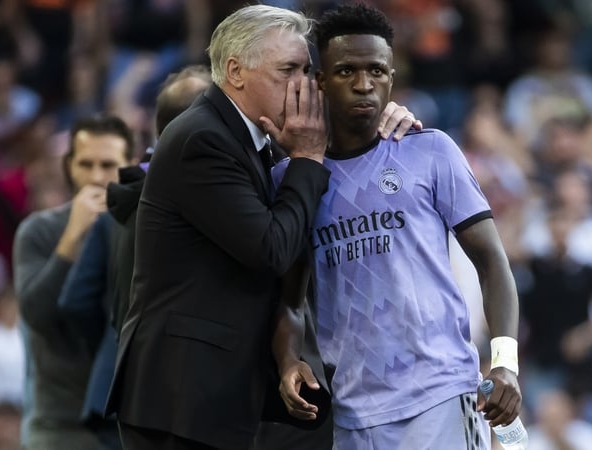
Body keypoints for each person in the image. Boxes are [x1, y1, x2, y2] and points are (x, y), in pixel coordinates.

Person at [105, 5, 418, 449]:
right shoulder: (204, 139)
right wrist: (306, 158)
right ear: (235, 71)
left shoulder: (251, 138)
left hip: (207, 394)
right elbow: (272, 249)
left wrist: (386, 117)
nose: (304, 84)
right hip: (180, 396)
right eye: (288, 70)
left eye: (306, 70)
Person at [273, 4, 522, 449]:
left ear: (391, 76)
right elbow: (290, 300)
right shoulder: (293, 178)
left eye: (376, 71)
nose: (363, 84)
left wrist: (505, 361)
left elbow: (491, 261)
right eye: (346, 71)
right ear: (321, 80)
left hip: (440, 392)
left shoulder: (430, 151)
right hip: (352, 410)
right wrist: (288, 360)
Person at [55, 65, 212, 450]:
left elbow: (78, 301)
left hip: (122, 388)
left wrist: (116, 343)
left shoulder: (122, 201)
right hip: (175, 398)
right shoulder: (205, 198)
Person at [12, 114, 134, 450]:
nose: (96, 177)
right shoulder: (39, 230)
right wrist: (73, 235)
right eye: (85, 164)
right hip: (59, 425)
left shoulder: (142, 231)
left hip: (126, 424)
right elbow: (36, 315)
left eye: (108, 165)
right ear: (69, 166)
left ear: (129, 165)